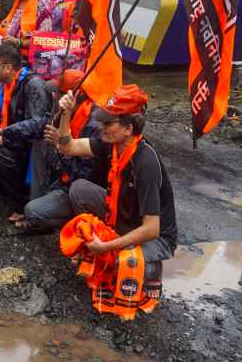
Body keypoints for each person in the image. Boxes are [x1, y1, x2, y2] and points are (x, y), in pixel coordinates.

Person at [50, 84, 177, 281]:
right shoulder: (110, 142)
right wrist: (66, 113)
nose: (101, 127)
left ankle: (147, 264)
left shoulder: (146, 162)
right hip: (122, 221)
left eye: (108, 123)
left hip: (156, 237)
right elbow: (68, 147)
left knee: (121, 265)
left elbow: (152, 228)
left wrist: (105, 247)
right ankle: (112, 242)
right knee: (79, 189)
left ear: (128, 129)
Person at [0, 43, 51, 218]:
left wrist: (4, 136)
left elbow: (38, 124)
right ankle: (2, 197)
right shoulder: (3, 85)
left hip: (31, 148)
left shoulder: (34, 85)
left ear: (8, 68)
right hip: (11, 139)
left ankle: (21, 204)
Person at [21, 70, 101, 230]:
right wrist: (3, 133)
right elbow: (39, 125)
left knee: (32, 211)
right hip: (66, 177)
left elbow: (81, 176)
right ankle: (40, 200)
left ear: (74, 97)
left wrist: (59, 145)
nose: (55, 97)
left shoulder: (94, 126)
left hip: (81, 188)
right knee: (41, 141)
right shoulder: (69, 112)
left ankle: (72, 219)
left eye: (59, 93)